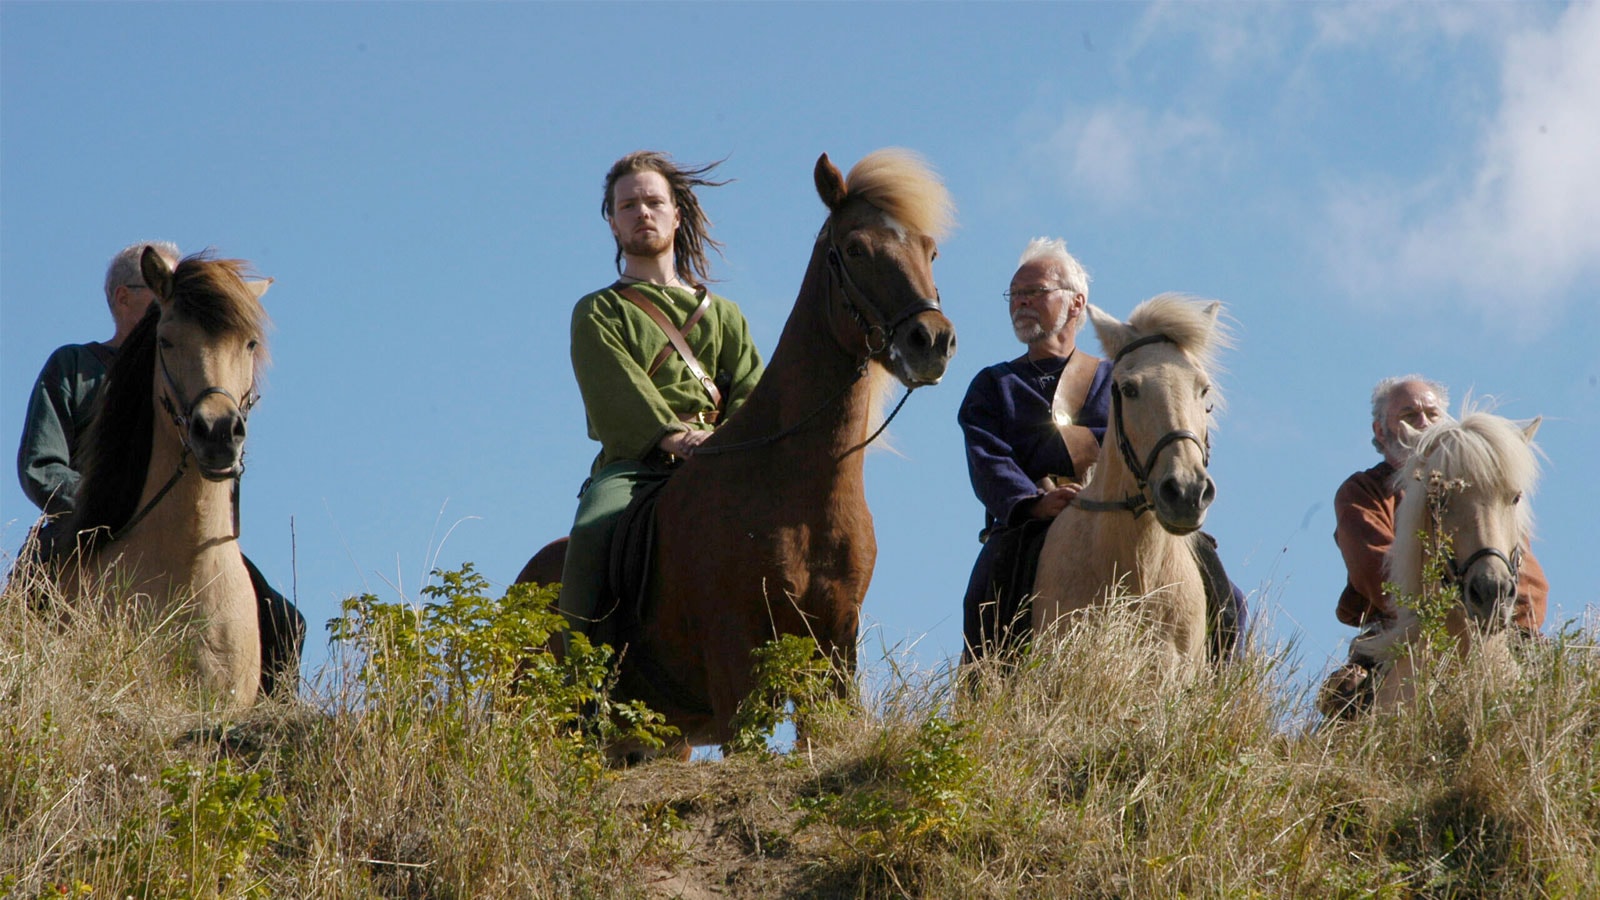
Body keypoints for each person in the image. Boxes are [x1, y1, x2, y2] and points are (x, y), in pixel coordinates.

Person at [15, 241, 306, 698]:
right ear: (122, 298)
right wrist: (107, 501)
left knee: (286, 621)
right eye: (159, 292)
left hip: (188, 521)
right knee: (24, 597)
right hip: (84, 521)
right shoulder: (74, 366)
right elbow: (40, 465)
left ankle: (270, 731)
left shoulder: (181, 372)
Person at [559, 151, 764, 650]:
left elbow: (752, 389)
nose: (642, 212)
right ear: (611, 221)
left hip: (724, 456)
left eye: (654, 201)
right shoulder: (599, 311)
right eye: (628, 205)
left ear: (677, 213)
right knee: (591, 531)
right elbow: (615, 391)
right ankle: (573, 681)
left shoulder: (726, 315)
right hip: (636, 465)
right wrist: (673, 437)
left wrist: (730, 441)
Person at [1319, 375, 1550, 716]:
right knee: (1347, 700)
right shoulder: (1363, 491)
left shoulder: (1482, 490)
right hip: (1398, 628)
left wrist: (1514, 617)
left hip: (1501, 625)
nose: (1424, 423)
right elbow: (1373, 569)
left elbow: (1522, 569)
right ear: (1381, 432)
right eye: (1409, 415)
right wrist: (1438, 606)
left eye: (1432, 413)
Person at [957, 238, 1114, 661]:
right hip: (1029, 526)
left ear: (1076, 303)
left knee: (1225, 597)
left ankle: (1225, 697)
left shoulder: (1119, 380)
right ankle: (984, 707)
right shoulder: (993, 386)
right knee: (985, 597)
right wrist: (1032, 502)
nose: (1021, 303)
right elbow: (988, 459)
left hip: (1119, 512)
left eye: (1035, 292)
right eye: (1015, 294)